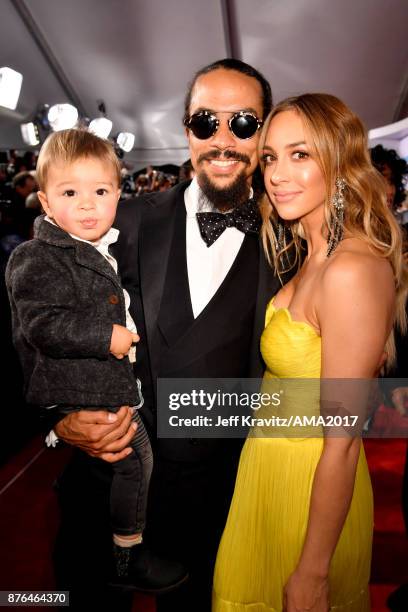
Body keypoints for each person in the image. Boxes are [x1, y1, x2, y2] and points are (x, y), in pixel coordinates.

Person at [50, 59, 281, 611]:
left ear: (266, 131)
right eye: (206, 122)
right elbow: (39, 320)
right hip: (103, 486)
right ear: (186, 130)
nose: (222, 140)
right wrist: (59, 416)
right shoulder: (118, 220)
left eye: (243, 123)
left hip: (217, 502)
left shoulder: (291, 245)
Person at [212, 93, 407, 612]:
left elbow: (342, 442)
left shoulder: (350, 270)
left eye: (300, 155)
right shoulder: (312, 254)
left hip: (310, 491)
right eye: (271, 157)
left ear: (339, 163)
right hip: (268, 474)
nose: (277, 174)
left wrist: (313, 570)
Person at [5, 129, 187, 593]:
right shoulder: (35, 257)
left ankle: (129, 550)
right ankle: (128, 553)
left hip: (123, 393)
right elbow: (40, 326)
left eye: (100, 192)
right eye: (71, 193)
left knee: (137, 465)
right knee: (134, 463)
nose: (87, 205)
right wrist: (107, 336)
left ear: (119, 194)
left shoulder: (106, 244)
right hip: (84, 396)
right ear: (46, 202)